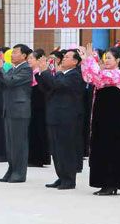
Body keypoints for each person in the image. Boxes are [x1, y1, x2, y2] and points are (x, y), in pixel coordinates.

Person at [79, 45, 120, 195]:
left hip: (113, 116)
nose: (107, 61)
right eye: (105, 58)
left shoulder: (119, 74)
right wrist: (86, 61)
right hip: (101, 113)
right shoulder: (103, 72)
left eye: (109, 58)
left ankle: (113, 183)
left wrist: (91, 60)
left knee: (112, 146)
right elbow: (89, 78)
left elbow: (99, 77)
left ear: (117, 60)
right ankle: (103, 182)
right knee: (100, 144)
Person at [35, 49, 85, 190]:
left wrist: (46, 72)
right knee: (56, 149)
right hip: (54, 115)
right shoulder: (60, 74)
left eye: (68, 57)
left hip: (67, 117)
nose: (63, 58)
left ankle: (69, 179)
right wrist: (41, 73)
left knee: (66, 148)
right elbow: (47, 88)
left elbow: (58, 85)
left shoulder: (75, 75)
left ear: (75, 62)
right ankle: (61, 176)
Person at [0, 44, 34, 183]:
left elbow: (10, 82)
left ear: (24, 56)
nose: (12, 55)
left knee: (19, 143)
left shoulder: (26, 70)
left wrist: (1, 68)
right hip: (9, 109)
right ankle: (12, 169)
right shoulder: (13, 69)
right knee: (11, 143)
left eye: (15, 52)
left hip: (19, 111)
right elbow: (2, 84)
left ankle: (19, 172)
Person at [28, 49, 51, 168]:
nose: (29, 60)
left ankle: (39, 158)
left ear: (38, 60)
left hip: (40, 106)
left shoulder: (39, 73)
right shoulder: (31, 72)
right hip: (33, 105)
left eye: (31, 58)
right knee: (33, 130)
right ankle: (33, 157)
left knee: (39, 130)